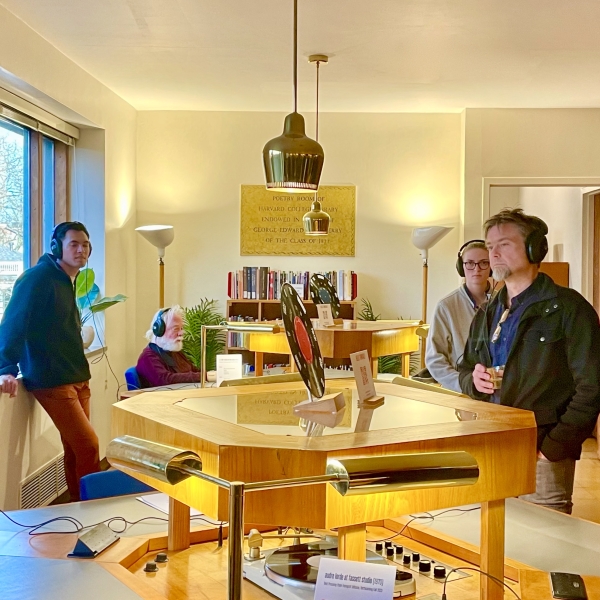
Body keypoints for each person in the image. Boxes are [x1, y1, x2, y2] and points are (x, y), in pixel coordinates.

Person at [459, 208, 600, 514]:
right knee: (494, 542)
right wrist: (474, 379)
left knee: (544, 548)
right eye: (490, 244)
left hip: (543, 453)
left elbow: (592, 387)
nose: (493, 253)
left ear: (536, 249)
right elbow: (465, 367)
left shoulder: (570, 309)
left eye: (504, 244)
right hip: (492, 447)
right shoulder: (487, 311)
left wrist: (554, 447)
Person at [0, 221, 99, 502]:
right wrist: (5, 368)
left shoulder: (67, 279)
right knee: (89, 446)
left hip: (77, 376)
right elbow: (14, 323)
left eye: (85, 245)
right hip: (53, 380)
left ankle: (80, 507)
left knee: (75, 448)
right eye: (74, 244)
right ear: (57, 247)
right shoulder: (38, 278)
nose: (81, 250)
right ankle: (94, 510)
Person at [425, 240, 491, 392]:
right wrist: (463, 384)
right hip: (463, 390)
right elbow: (434, 359)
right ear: (461, 267)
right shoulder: (446, 306)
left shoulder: (503, 302)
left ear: (491, 266)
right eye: (470, 263)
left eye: (483, 263)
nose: (477, 269)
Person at [136, 305, 201, 388]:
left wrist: (212, 375)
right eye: (176, 329)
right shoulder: (147, 357)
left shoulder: (174, 352)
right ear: (159, 330)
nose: (181, 333)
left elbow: (194, 370)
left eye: (181, 328)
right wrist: (205, 376)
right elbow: (166, 380)